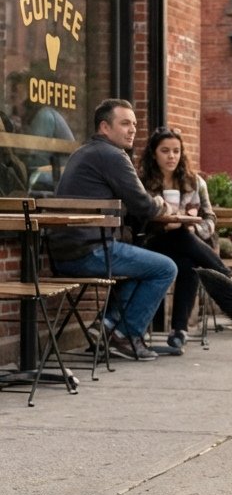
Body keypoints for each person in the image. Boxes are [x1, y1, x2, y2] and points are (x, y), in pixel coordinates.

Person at [47, 99, 178, 361]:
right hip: (89, 252)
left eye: (135, 124)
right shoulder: (112, 155)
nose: (133, 130)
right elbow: (143, 205)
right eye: (125, 123)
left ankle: (106, 326)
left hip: (63, 254)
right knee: (165, 268)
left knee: (141, 265)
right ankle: (126, 335)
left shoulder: (85, 152)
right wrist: (164, 206)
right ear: (105, 127)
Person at [137, 126, 232, 351]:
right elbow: (138, 222)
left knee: (189, 264)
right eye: (165, 151)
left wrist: (193, 227)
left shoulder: (194, 182)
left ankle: (179, 332)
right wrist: (165, 224)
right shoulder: (142, 182)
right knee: (180, 237)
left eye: (176, 151)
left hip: (185, 244)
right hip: (153, 245)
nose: (171, 156)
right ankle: (227, 277)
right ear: (154, 153)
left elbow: (210, 218)